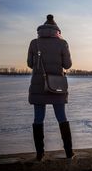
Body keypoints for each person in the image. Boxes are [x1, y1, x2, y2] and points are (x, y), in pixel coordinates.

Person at [27, 14, 74, 160]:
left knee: (38, 119)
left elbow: (30, 63)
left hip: (38, 86)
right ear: (57, 30)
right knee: (62, 117)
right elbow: (67, 65)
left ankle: (40, 154)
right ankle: (69, 153)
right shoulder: (62, 43)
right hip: (56, 86)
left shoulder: (34, 43)